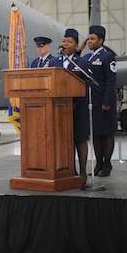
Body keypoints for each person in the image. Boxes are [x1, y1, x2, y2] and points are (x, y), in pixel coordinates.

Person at [48, 28, 90, 178]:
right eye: (64, 41)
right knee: (64, 142)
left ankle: (83, 171)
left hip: (78, 110)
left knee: (80, 140)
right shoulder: (53, 62)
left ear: (76, 45)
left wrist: (75, 104)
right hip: (59, 110)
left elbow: (85, 86)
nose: (66, 44)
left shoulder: (83, 63)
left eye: (70, 41)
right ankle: (69, 170)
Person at [79, 25, 117, 176]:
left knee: (106, 133)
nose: (90, 41)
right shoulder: (88, 57)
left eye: (93, 39)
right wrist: (80, 48)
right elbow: (77, 64)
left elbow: (111, 81)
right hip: (91, 103)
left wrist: (107, 102)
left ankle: (107, 164)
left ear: (101, 41)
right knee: (95, 134)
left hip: (104, 102)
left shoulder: (108, 57)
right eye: (89, 38)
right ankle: (99, 163)